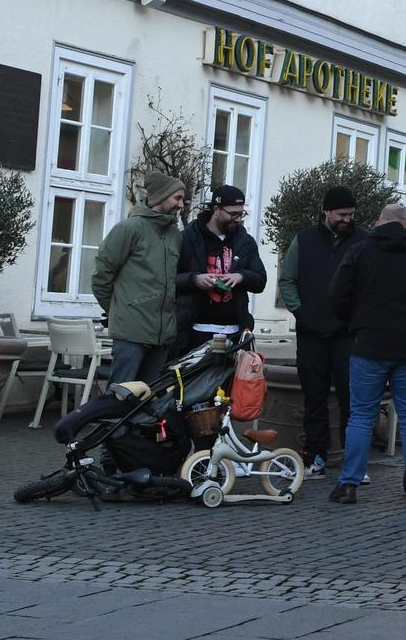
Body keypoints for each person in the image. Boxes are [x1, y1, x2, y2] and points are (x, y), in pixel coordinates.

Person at [327, 203, 406, 506]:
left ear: (379, 223)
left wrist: (354, 324)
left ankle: (349, 484)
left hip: (370, 345)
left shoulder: (359, 252)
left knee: (361, 416)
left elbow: (337, 295)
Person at [280, 186, 367, 478]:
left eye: (351, 214)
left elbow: (371, 284)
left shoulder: (364, 241)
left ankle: (353, 463)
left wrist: (357, 317)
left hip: (347, 335)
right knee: (313, 398)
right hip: (311, 333)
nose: (347, 219)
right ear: (327, 212)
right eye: (342, 214)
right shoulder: (303, 241)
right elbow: (287, 279)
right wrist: (300, 311)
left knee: (351, 400)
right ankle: (315, 456)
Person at [91, 172, 185, 388]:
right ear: (161, 197)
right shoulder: (129, 229)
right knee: (121, 394)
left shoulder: (175, 235)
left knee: (148, 399)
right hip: (131, 332)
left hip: (163, 335)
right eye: (177, 198)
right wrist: (120, 311)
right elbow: (101, 277)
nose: (181, 205)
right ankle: (113, 423)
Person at [175, 185, 266, 352]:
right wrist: (194, 279)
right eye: (233, 214)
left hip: (234, 332)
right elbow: (169, 280)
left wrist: (241, 276)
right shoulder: (187, 239)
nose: (238, 219)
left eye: (241, 213)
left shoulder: (245, 241)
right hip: (193, 331)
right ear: (216, 209)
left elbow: (260, 280)